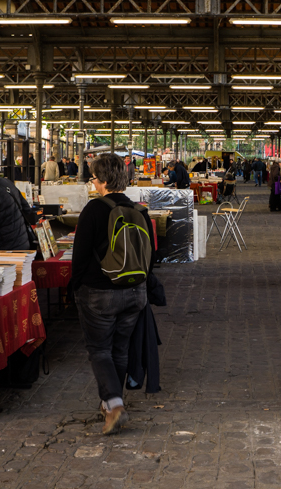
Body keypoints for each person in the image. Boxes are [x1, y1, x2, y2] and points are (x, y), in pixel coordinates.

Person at [70, 153, 156, 435]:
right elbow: (150, 256)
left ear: (104, 180)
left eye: (94, 178)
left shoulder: (94, 210)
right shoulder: (139, 210)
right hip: (135, 292)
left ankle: (115, 404)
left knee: (99, 350)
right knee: (119, 349)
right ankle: (110, 404)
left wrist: (76, 287)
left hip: (99, 293)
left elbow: (79, 256)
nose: (92, 184)